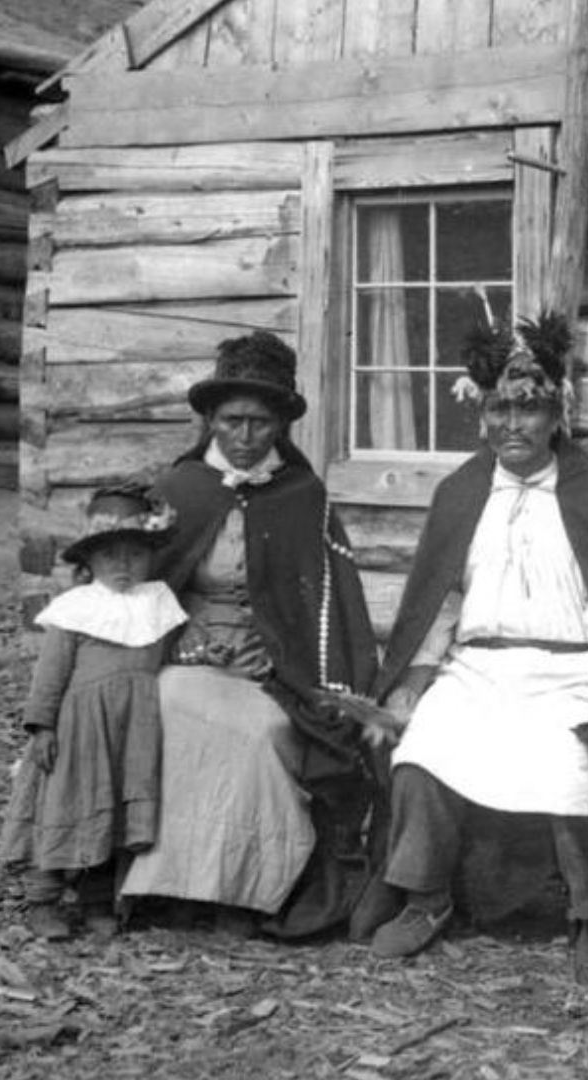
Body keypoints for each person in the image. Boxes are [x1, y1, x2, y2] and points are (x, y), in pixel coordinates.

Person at [363, 313, 588, 967]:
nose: (512, 426)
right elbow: (442, 598)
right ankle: (426, 898)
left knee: (576, 768)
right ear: (481, 415)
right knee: (422, 752)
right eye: (500, 410)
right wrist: (415, 679)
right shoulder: (462, 492)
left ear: (557, 415)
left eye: (528, 411)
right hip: (475, 671)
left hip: (570, 673)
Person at [119, 331, 382, 939]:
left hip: (272, 674)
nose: (244, 436)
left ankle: (242, 892)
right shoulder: (179, 491)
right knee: (166, 709)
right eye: (232, 421)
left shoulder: (303, 497)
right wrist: (176, 639)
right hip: (186, 657)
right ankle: (167, 891)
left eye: (260, 423)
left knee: (261, 735)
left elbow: (328, 607)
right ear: (210, 419)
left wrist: (279, 653)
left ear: (281, 426)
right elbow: (142, 588)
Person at [0, 485, 186, 941]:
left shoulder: (158, 602)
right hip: (80, 728)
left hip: (135, 728)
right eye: (109, 557)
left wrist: (206, 652)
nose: (123, 567)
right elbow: (50, 674)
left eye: (134, 556)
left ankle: (96, 899)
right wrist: (42, 726)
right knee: (68, 803)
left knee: (114, 814)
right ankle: (43, 898)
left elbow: (176, 653)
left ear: (150, 559)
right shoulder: (77, 609)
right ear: (90, 563)